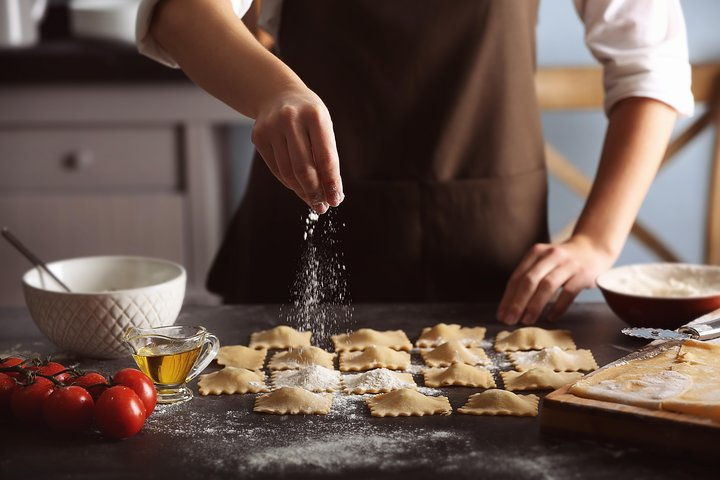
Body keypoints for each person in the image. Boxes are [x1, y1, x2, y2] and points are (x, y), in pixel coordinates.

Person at [136, 0, 693, 324]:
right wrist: (274, 93)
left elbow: (651, 62)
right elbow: (179, 12)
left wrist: (597, 239)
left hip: (493, 261)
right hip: (297, 243)